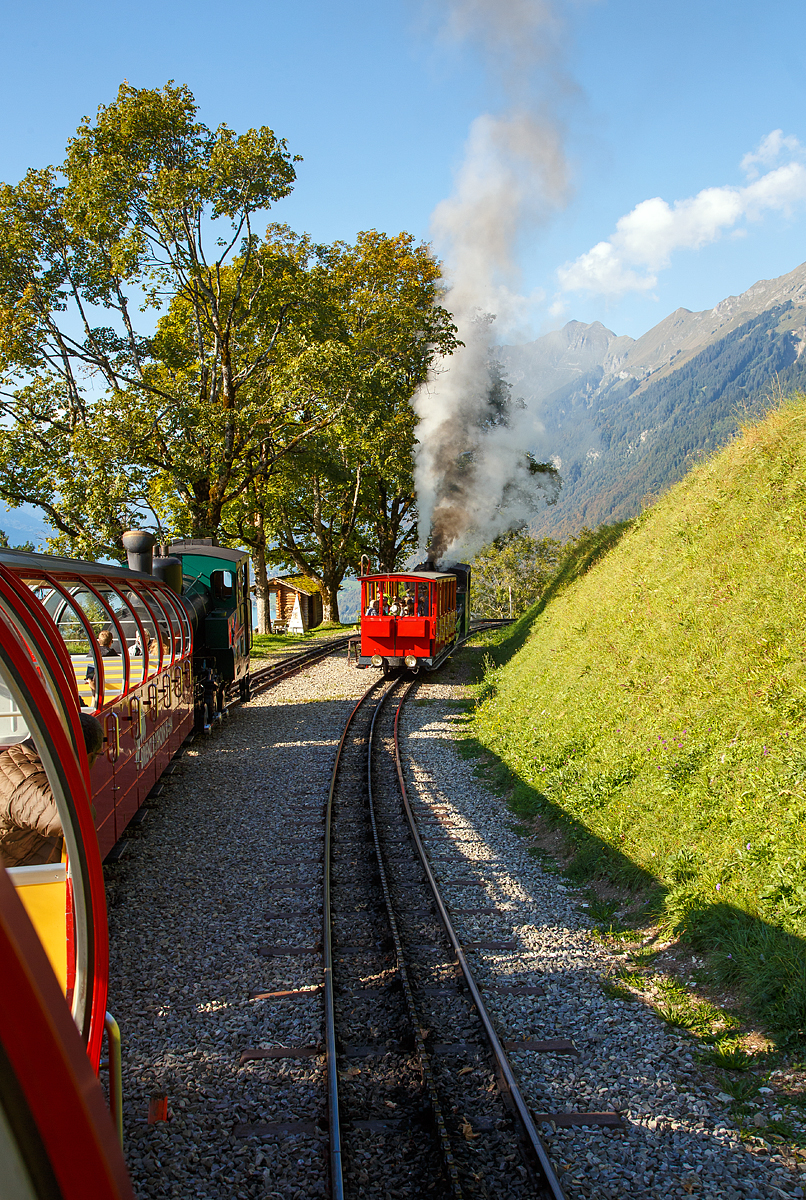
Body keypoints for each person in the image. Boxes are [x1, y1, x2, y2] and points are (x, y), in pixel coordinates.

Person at [0, 713, 104, 868]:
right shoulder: (27, 780)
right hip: (15, 880)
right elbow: (74, 817)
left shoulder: (25, 757)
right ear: (87, 757)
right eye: (98, 755)